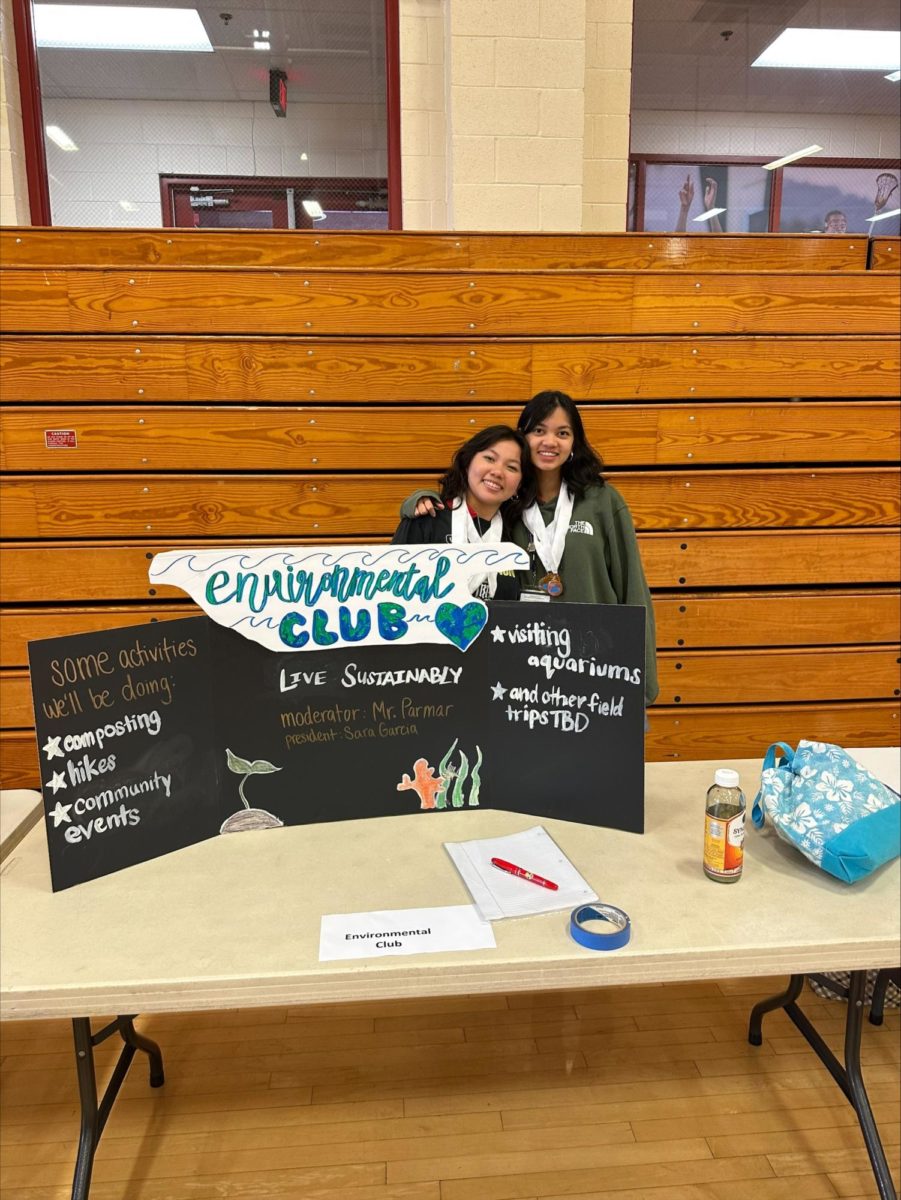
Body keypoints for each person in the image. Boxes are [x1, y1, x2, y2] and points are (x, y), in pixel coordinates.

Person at [400, 393, 658, 705]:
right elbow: (466, 515)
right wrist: (420, 499)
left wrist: (642, 680)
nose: (550, 441)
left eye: (562, 433)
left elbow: (633, 589)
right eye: (538, 430)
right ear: (524, 437)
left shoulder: (602, 501)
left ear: (575, 442)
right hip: (527, 678)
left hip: (599, 665)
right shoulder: (509, 504)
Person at [392, 425, 535, 601]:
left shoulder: (515, 535)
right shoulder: (426, 519)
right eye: (490, 458)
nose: (497, 472)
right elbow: (391, 595)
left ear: (518, 486)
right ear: (467, 463)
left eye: (512, 467)